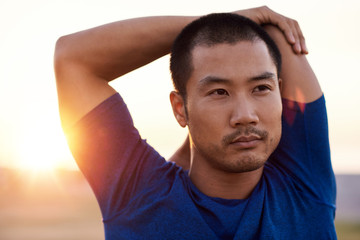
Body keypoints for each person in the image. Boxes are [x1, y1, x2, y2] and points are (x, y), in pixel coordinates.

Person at [54, 6, 337, 239]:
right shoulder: (136, 195)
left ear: (279, 90)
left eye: (261, 88)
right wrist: (207, 26)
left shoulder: (305, 187)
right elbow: (72, 57)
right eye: (219, 92)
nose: (245, 115)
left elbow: (276, 31)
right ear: (180, 109)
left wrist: (221, 26)